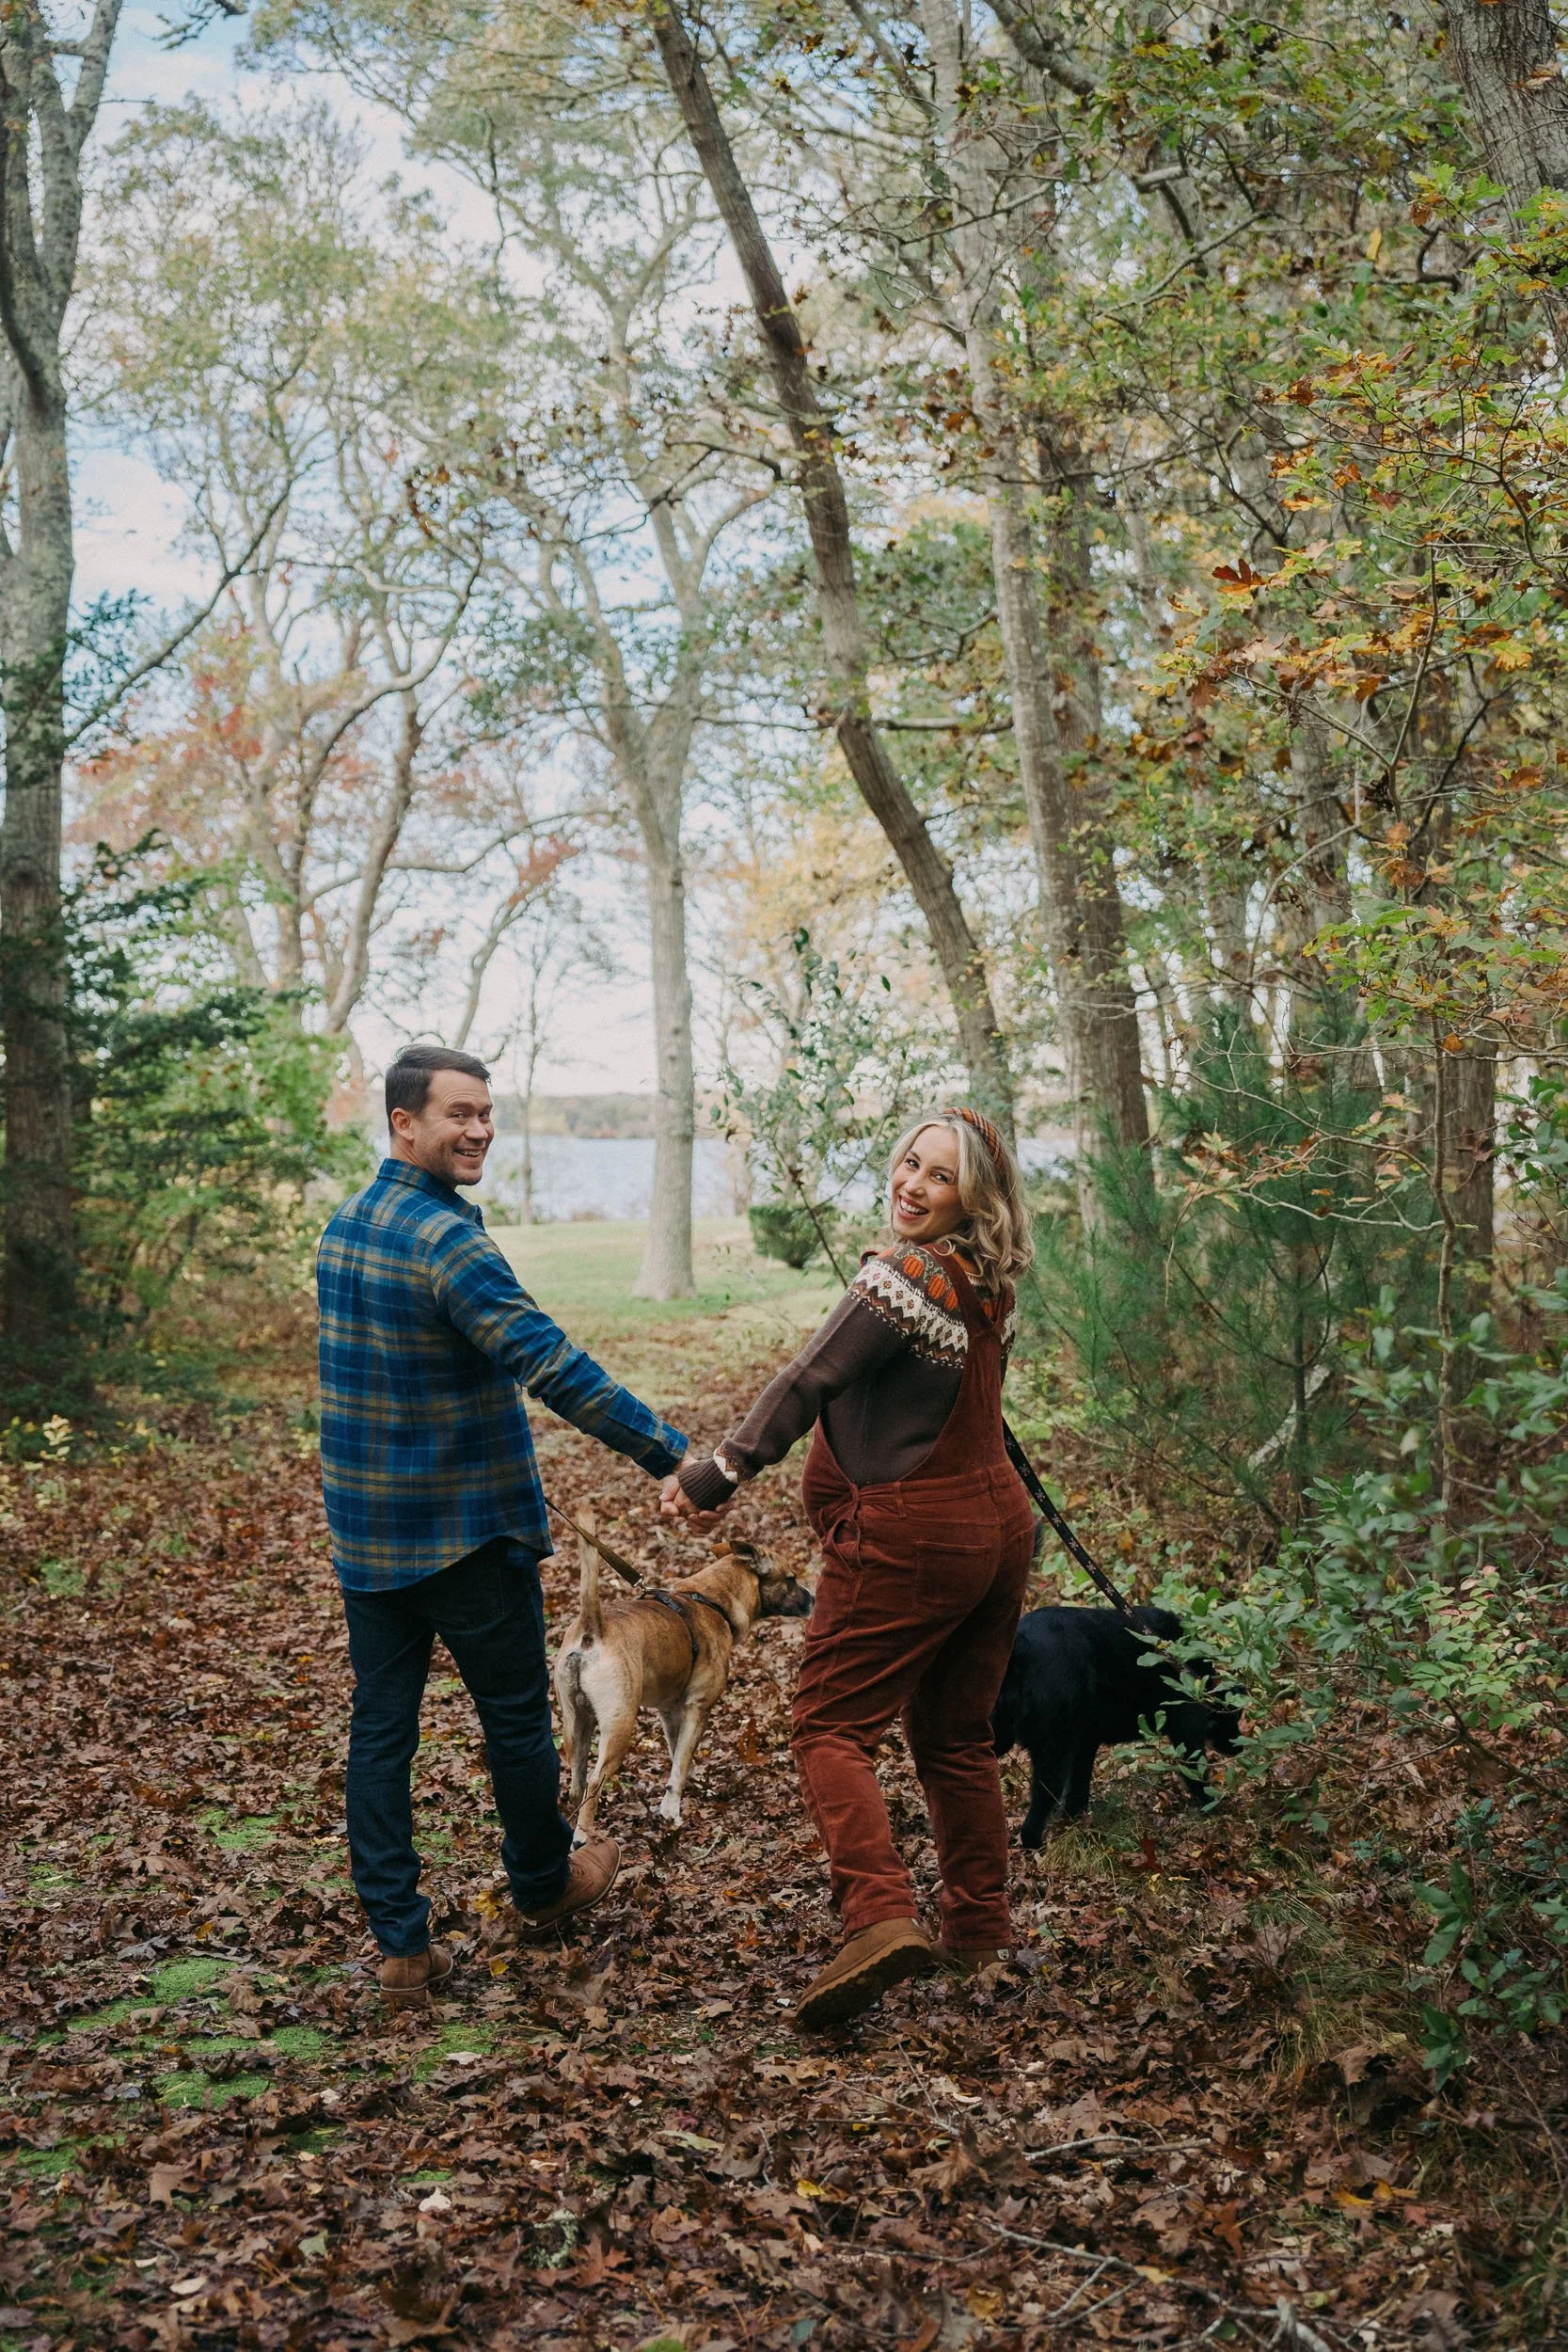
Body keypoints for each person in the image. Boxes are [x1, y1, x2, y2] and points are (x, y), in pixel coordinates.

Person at [318, 1043, 689, 2008]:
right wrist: (671, 1453)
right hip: (465, 1536)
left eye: (486, 1111)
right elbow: (551, 1363)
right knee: (517, 1718)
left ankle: (402, 1946)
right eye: (458, 1114)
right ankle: (541, 1883)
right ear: (403, 1122)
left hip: (369, 1537)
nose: (479, 1129)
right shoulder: (449, 1242)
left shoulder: (344, 1228)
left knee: (381, 1733)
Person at [662, 1107, 1035, 2030]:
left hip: (914, 1540)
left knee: (827, 1725)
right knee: (953, 1737)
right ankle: (980, 1933)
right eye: (908, 1163)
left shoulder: (904, 1276)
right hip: (996, 1535)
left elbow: (807, 1379)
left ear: (973, 1196)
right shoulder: (982, 1283)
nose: (911, 1184)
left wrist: (717, 1472)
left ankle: (877, 1917)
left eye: (939, 1176)